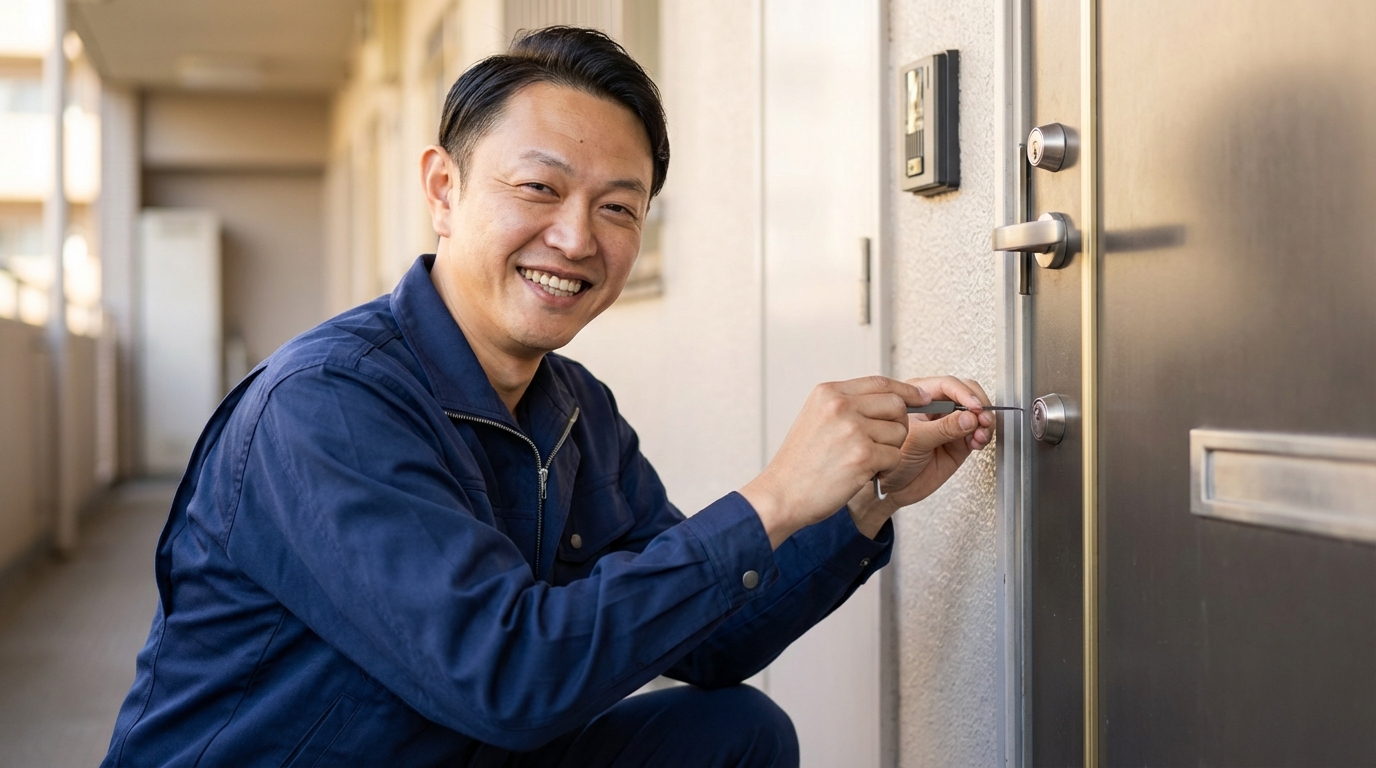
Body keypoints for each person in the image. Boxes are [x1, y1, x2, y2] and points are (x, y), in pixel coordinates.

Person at [102, 26, 994, 768]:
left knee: (732, 736)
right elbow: (508, 677)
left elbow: (711, 638)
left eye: (618, 208)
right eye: (539, 188)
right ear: (444, 191)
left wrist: (863, 502)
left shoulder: (572, 408)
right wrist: (773, 497)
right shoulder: (326, 404)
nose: (574, 237)